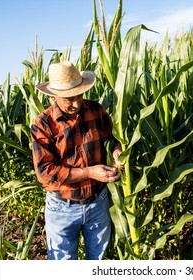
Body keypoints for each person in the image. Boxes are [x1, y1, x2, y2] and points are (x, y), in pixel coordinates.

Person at [30, 61, 122, 260]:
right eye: (69, 99)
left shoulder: (96, 110)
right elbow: (45, 173)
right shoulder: (43, 124)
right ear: (53, 97)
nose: (76, 103)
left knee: (98, 260)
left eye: (79, 95)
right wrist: (90, 172)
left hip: (98, 201)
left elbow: (111, 140)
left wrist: (117, 153)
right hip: (62, 207)